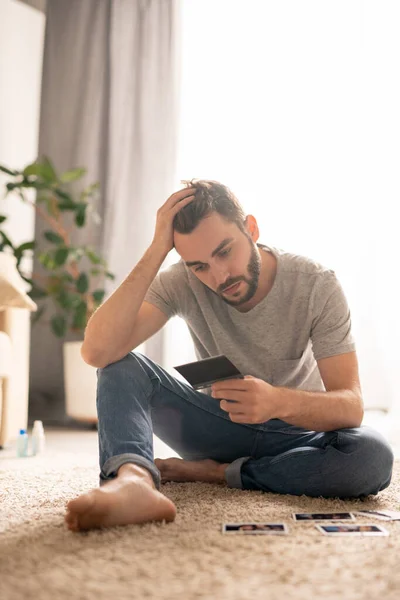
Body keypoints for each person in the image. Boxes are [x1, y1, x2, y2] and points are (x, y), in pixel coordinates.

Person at [65, 180, 394, 532]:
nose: (219, 275)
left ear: (251, 229)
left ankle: (218, 473)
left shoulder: (316, 285)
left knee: (371, 456)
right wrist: (157, 250)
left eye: (225, 251)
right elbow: (97, 351)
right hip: (219, 430)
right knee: (119, 365)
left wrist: (276, 402)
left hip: (297, 438)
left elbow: (350, 406)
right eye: (200, 266)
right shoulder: (181, 280)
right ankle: (133, 482)